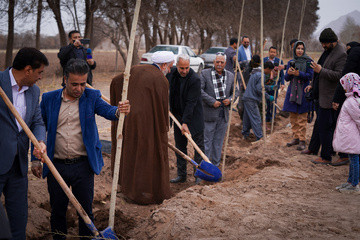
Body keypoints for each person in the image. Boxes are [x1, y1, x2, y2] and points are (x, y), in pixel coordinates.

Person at [31, 59, 130, 239]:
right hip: (56, 166)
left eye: (83, 84)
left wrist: (119, 111)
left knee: (85, 212)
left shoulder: (91, 97)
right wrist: (35, 158)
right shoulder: (49, 99)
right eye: (74, 84)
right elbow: (37, 128)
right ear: (65, 79)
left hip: (83, 166)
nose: (79, 88)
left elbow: (108, 111)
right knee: (58, 212)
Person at [110, 51, 174, 204]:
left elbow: (116, 81)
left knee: (131, 152)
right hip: (148, 124)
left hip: (129, 119)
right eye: (170, 67)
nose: (170, 70)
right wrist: (163, 126)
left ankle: (128, 189)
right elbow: (162, 108)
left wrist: (119, 100)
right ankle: (146, 194)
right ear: (164, 65)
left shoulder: (136, 68)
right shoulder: (161, 79)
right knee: (147, 156)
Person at [0, 47, 48, 239]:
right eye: (39, 72)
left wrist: (40, 141)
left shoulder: (34, 91)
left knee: (18, 220)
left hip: (18, 166)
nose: (40, 77)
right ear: (28, 70)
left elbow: (37, 121)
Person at [306, 28, 347, 165]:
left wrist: (321, 70)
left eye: (325, 43)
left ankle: (326, 156)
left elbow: (339, 76)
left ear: (332, 41)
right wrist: (313, 84)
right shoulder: (328, 51)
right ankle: (323, 151)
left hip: (330, 97)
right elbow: (318, 69)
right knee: (322, 125)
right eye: (322, 43)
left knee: (326, 127)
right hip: (321, 95)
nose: (323, 45)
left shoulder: (341, 54)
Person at [167, 54, 204, 184]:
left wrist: (186, 122)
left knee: (198, 147)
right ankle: (181, 175)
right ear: (177, 65)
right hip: (177, 116)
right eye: (181, 68)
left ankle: (198, 176)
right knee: (180, 147)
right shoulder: (172, 74)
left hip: (193, 118)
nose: (184, 71)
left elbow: (191, 103)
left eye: (187, 68)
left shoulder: (194, 79)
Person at [200, 52, 237, 167]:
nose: (219, 64)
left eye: (222, 62)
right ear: (214, 62)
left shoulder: (230, 76)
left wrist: (230, 99)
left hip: (223, 115)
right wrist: (212, 101)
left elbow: (236, 91)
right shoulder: (205, 74)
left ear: (225, 63)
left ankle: (215, 167)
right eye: (217, 62)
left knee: (218, 143)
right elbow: (199, 90)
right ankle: (206, 167)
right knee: (207, 143)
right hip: (209, 115)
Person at [283, 41, 314, 151]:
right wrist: (290, 73)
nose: (300, 50)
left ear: (304, 49)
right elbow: (286, 78)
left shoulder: (308, 62)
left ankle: (302, 140)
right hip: (292, 93)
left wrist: (299, 74)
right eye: (298, 48)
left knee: (302, 118)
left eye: (301, 48)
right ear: (294, 49)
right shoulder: (291, 61)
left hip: (303, 93)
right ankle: (295, 137)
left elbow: (310, 76)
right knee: (293, 117)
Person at [333, 73, 360, 194]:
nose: (343, 87)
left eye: (344, 84)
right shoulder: (350, 99)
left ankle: (354, 185)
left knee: (354, 159)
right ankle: (350, 181)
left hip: (351, 135)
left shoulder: (351, 102)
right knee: (351, 157)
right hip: (349, 135)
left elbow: (358, 118)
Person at [242, 60, 275, 141]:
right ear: (267, 68)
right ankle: (260, 137)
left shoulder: (256, 73)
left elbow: (259, 86)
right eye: (270, 70)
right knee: (256, 118)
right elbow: (259, 89)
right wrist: (268, 96)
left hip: (247, 97)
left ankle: (245, 134)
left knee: (247, 117)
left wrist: (269, 87)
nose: (270, 72)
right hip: (251, 99)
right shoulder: (261, 75)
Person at [263, 46, 285, 122]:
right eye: (271, 52)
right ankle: (267, 116)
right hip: (266, 84)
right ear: (269, 52)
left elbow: (282, 73)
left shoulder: (279, 61)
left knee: (273, 100)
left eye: (274, 52)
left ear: (276, 53)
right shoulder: (264, 60)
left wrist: (282, 83)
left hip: (275, 84)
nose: (272, 53)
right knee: (266, 100)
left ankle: (273, 116)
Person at [237, 55, 261, 119]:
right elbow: (236, 67)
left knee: (253, 108)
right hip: (243, 89)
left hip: (253, 91)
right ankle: (243, 120)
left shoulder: (259, 68)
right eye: (255, 64)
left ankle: (250, 122)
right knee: (240, 107)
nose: (256, 66)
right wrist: (235, 62)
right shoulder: (245, 64)